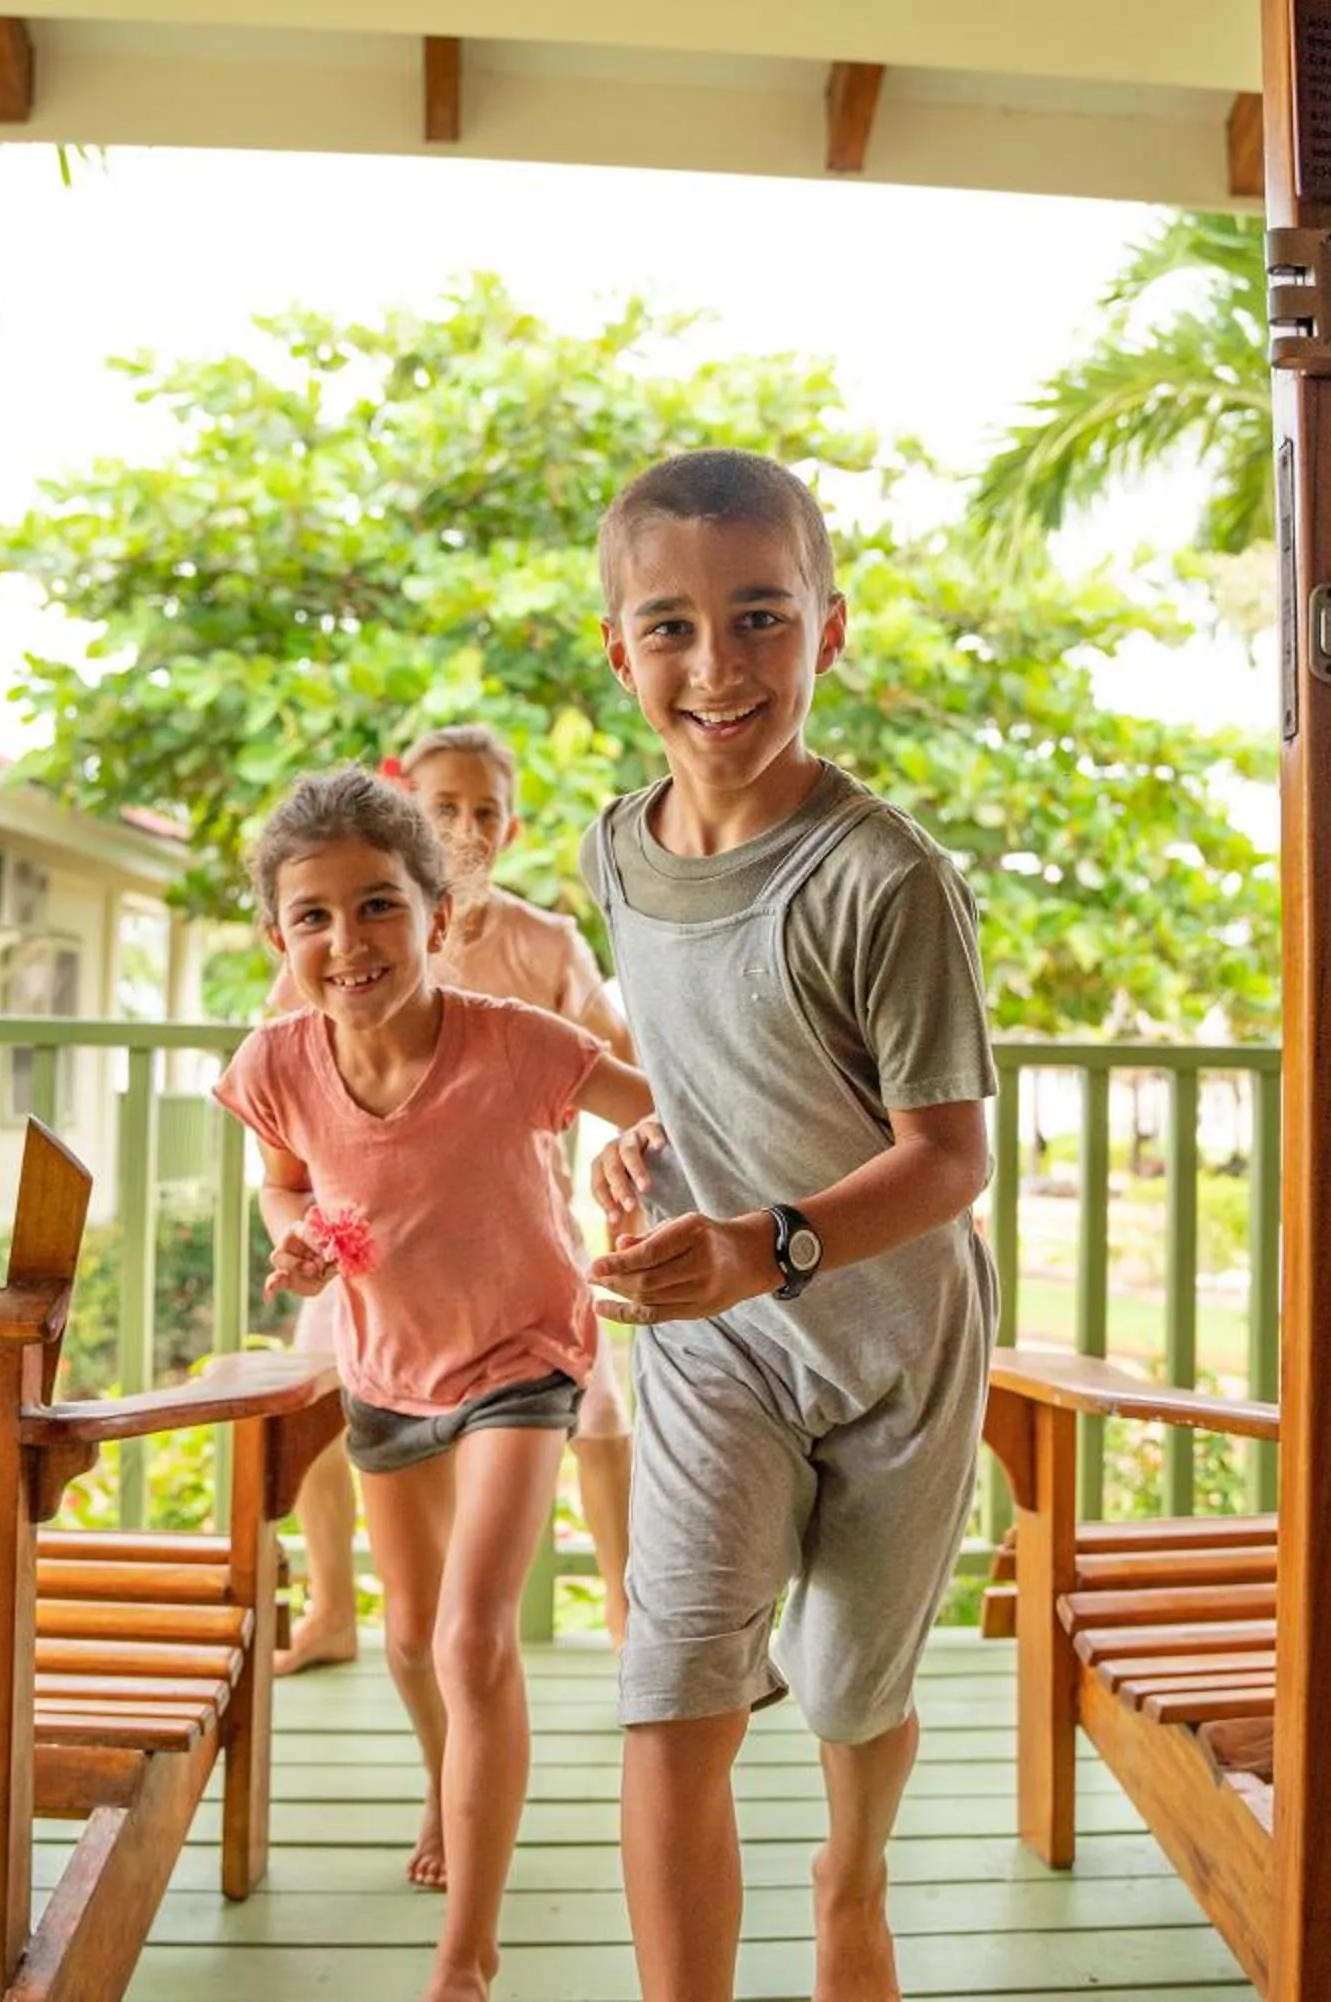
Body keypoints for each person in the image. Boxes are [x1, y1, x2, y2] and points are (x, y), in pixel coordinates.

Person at [580, 448, 999, 2002]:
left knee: (845, 1691)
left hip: (895, 1346)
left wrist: (766, 1241)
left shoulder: (886, 879)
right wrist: (649, 1140)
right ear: (620, 650)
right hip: (713, 1349)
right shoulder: (613, 850)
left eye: (760, 617)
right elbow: (705, 1057)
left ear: (829, 632)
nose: (718, 664)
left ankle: (852, 1879)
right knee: (672, 1687)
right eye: (673, 626)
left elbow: (948, 1159)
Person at [215, 767, 653, 1997]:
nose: (346, 941)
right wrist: (295, 1227)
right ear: (278, 938)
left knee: (470, 1635)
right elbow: (285, 1175)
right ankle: (446, 1782)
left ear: (439, 918)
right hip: (386, 1364)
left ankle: (468, 1952)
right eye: (313, 917)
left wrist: (642, 1160)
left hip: (525, 1350)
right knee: (410, 1638)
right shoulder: (278, 1061)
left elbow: (652, 1109)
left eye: (378, 907)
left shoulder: (516, 1042)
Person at [268, 725, 642, 1674]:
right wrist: (301, 1226)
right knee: (315, 1414)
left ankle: (629, 1625)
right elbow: (289, 1076)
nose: (466, 826)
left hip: (513, 1256)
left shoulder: (540, 945)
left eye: (485, 811)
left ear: (508, 831)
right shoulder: (349, 932)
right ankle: (330, 1609)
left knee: (598, 1421)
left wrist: (629, 1141)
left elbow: (621, 1067)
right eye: (445, 807)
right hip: (365, 1257)